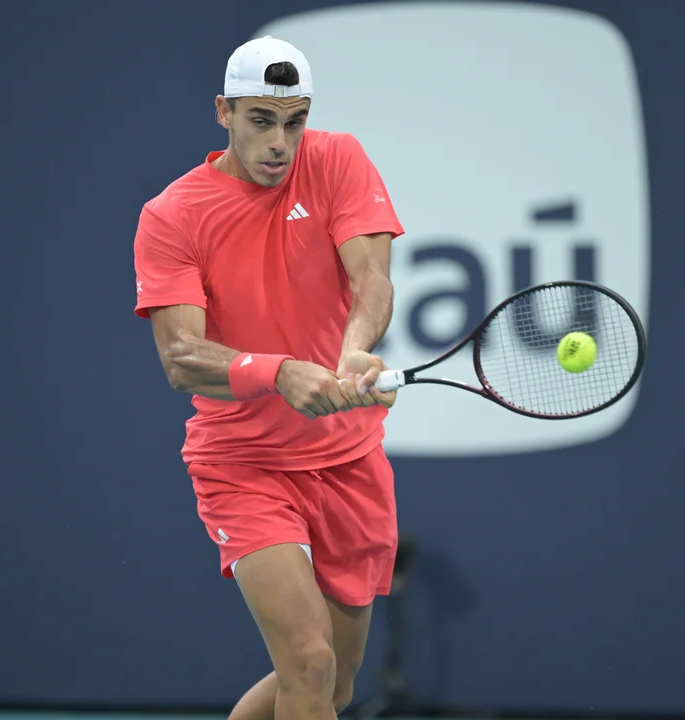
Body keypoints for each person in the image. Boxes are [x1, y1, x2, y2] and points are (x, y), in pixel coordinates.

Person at [133, 35, 405, 720]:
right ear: (224, 111)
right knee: (308, 661)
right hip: (244, 465)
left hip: (349, 459)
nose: (280, 142)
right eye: (261, 120)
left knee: (332, 684)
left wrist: (354, 350)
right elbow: (180, 357)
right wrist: (278, 373)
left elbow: (371, 278)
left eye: (295, 121)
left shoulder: (337, 159)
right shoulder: (172, 215)